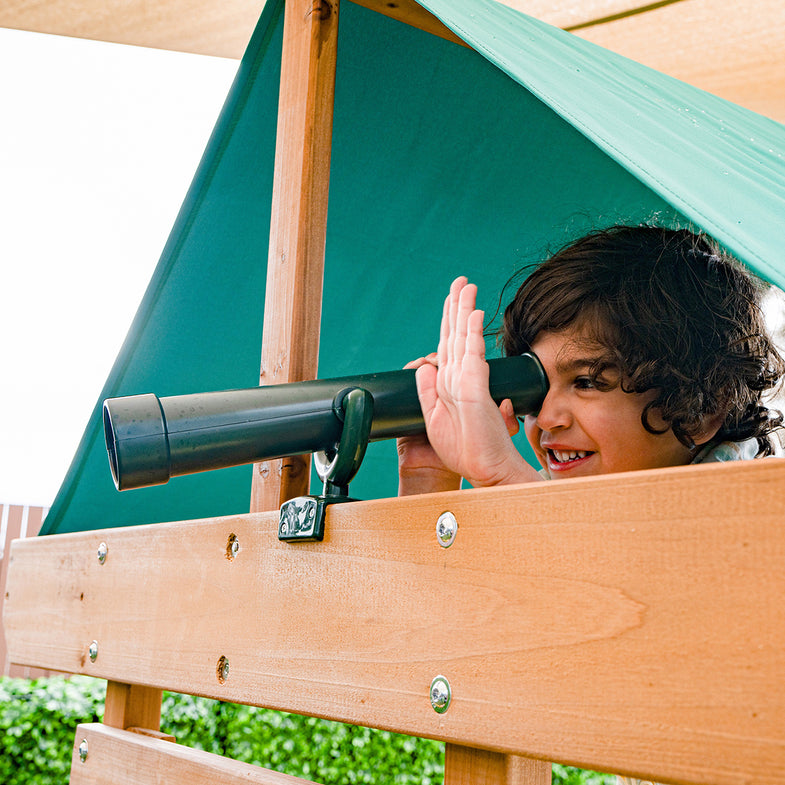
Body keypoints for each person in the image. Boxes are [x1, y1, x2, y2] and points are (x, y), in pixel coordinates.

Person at [398, 224, 784, 496]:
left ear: (702, 410)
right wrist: (428, 476)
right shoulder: (547, 494)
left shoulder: (749, 513)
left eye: (586, 382)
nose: (546, 419)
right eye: (536, 388)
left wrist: (501, 478)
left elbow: (617, 585)